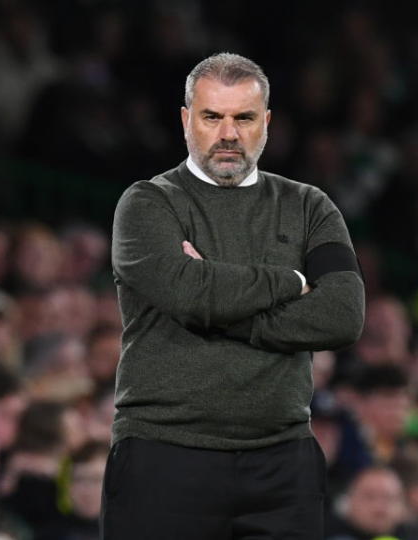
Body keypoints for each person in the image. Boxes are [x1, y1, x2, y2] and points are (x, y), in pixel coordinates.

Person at [106, 52, 365, 538]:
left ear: (266, 123)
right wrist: (289, 281)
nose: (229, 134)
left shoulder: (310, 207)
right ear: (186, 120)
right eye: (212, 117)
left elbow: (342, 315)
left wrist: (218, 304)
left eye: (243, 118)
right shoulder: (146, 204)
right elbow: (189, 294)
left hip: (283, 467)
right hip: (164, 456)